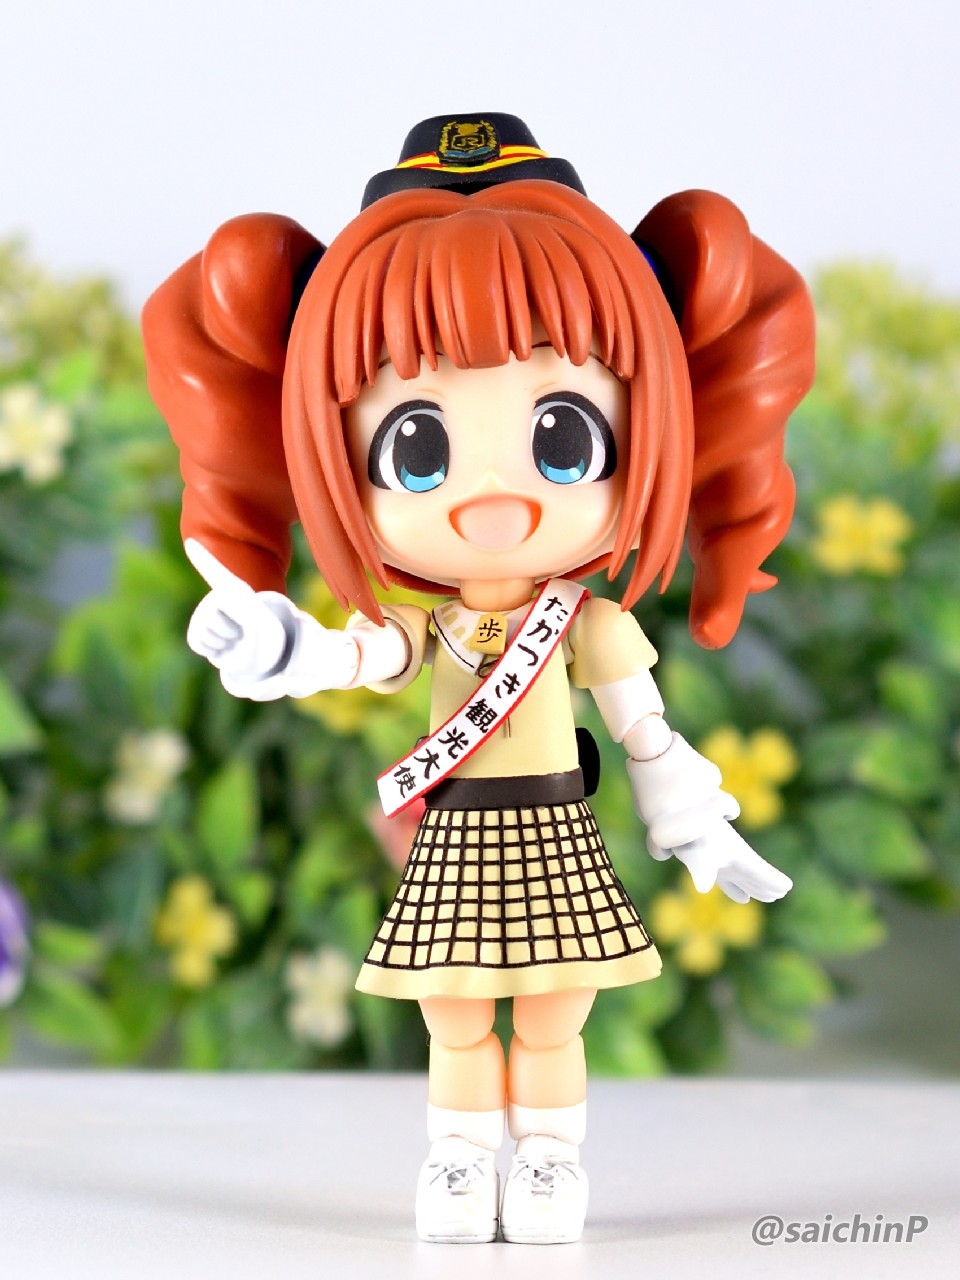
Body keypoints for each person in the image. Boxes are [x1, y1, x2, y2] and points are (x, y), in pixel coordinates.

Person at [142, 113, 815, 1245]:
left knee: (555, 1012)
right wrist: (284, 649)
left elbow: (643, 730)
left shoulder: (586, 622)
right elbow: (363, 652)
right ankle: (459, 1158)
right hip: (457, 840)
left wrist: (692, 814)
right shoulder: (428, 623)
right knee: (454, 1017)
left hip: (555, 833)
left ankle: (549, 1158)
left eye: (564, 439)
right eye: (417, 450)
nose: (491, 497)